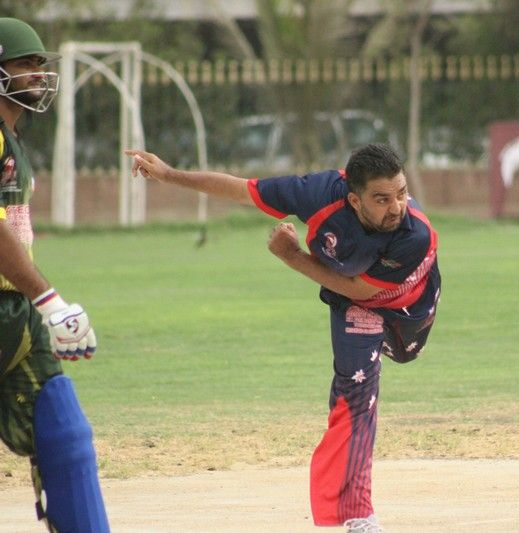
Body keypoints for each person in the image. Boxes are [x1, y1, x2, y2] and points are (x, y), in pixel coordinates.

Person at [126, 143, 441, 532]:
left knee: (404, 354)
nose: (396, 207)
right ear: (354, 200)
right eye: (382, 199)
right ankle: (358, 514)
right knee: (356, 397)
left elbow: (361, 288)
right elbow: (243, 190)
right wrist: (169, 174)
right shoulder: (317, 194)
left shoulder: (415, 233)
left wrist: (293, 257)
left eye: (401, 193)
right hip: (355, 305)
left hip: (409, 305)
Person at [0, 17, 110, 532]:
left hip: (13, 311)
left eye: (41, 65)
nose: (38, 74)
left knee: (64, 433)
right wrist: (50, 300)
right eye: (26, 64)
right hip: (23, 303)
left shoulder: (11, 139)